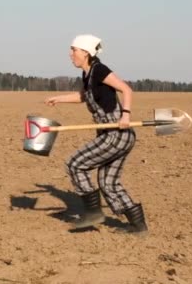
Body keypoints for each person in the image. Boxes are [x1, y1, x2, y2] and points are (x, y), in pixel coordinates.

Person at [44, 34, 147, 234]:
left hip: (116, 133)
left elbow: (126, 89)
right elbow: (84, 96)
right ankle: (138, 225)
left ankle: (93, 212)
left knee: (75, 164)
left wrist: (126, 115)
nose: (70, 54)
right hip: (112, 135)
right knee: (108, 183)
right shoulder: (88, 74)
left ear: (86, 52)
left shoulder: (99, 69)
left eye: (73, 50)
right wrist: (59, 98)